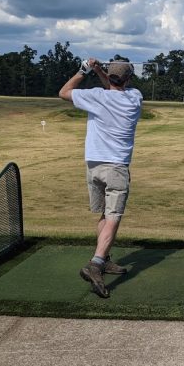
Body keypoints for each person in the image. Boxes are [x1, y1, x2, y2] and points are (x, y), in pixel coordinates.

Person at [59, 57, 143, 298]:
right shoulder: (134, 97)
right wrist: (99, 71)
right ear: (128, 79)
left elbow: (64, 92)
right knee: (113, 217)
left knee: (104, 214)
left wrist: (86, 69)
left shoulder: (96, 96)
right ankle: (95, 264)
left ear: (109, 75)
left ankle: (104, 259)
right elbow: (114, 88)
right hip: (116, 166)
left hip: (93, 165)